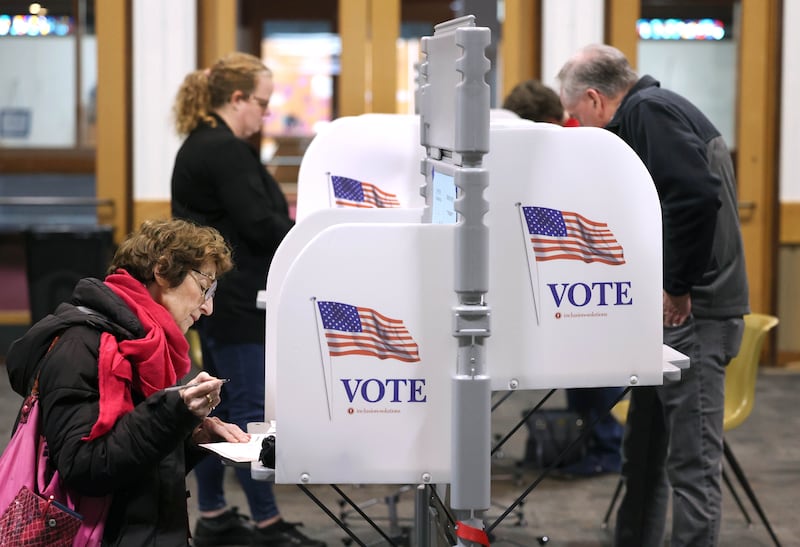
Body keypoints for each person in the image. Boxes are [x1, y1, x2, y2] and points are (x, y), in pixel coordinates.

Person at [556, 44, 749, 546]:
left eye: (578, 118)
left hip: (696, 312)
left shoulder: (648, 112)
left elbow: (694, 195)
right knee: (643, 453)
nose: (582, 129)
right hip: (671, 314)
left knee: (692, 466)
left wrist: (678, 287)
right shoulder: (654, 111)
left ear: (596, 100)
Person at [5, 218, 250, 545]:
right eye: (205, 286)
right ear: (162, 270)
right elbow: (84, 468)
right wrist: (169, 414)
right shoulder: (81, 346)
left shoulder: (148, 346)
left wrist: (188, 438)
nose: (208, 307)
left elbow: (136, 468)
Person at [171, 53, 324, 547]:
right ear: (236, 99)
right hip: (237, 302)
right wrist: (316, 240)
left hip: (221, 300)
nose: (265, 112)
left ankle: (213, 513)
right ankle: (268, 524)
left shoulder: (203, 144)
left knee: (211, 408)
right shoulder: (223, 149)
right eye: (261, 102)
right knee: (249, 411)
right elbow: (259, 225)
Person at [502, 79, 625, 477]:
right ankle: (585, 443)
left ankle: (606, 448)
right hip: (570, 272)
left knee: (597, 366)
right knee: (580, 367)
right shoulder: (567, 143)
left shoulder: (580, 147)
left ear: (551, 121)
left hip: (591, 273)